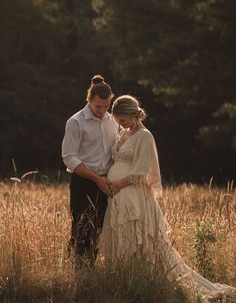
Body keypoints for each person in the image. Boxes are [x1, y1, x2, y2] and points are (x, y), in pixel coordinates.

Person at [98, 94, 236, 300]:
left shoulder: (145, 136)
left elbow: (141, 172)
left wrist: (117, 184)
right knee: (121, 240)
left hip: (134, 196)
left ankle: (145, 282)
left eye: (123, 120)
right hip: (118, 197)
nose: (121, 124)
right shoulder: (124, 132)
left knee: (140, 243)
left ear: (133, 115)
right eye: (118, 121)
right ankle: (123, 280)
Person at [61, 74, 118, 266]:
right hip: (83, 182)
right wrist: (96, 179)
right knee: (81, 228)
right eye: (97, 107)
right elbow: (69, 157)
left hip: (107, 183)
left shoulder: (113, 121)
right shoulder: (75, 122)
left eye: (106, 106)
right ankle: (77, 271)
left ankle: (89, 270)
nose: (102, 111)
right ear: (89, 100)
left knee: (100, 228)